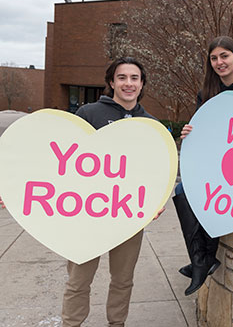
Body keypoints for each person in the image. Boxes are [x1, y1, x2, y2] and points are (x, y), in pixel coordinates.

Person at [62, 57, 164, 327]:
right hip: (87, 215)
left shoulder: (151, 124)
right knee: (78, 280)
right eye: (122, 77)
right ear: (111, 82)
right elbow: (65, 161)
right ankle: (71, 323)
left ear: (142, 84)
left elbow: (156, 170)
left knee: (123, 280)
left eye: (134, 78)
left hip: (128, 215)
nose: (128, 83)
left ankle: (116, 323)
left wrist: (157, 200)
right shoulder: (89, 114)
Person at [173, 36, 233, 296]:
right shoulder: (207, 92)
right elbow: (204, 130)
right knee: (181, 192)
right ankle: (201, 258)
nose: (219, 62)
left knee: (211, 195)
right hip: (213, 162)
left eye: (224, 56)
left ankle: (204, 259)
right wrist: (190, 131)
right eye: (214, 58)